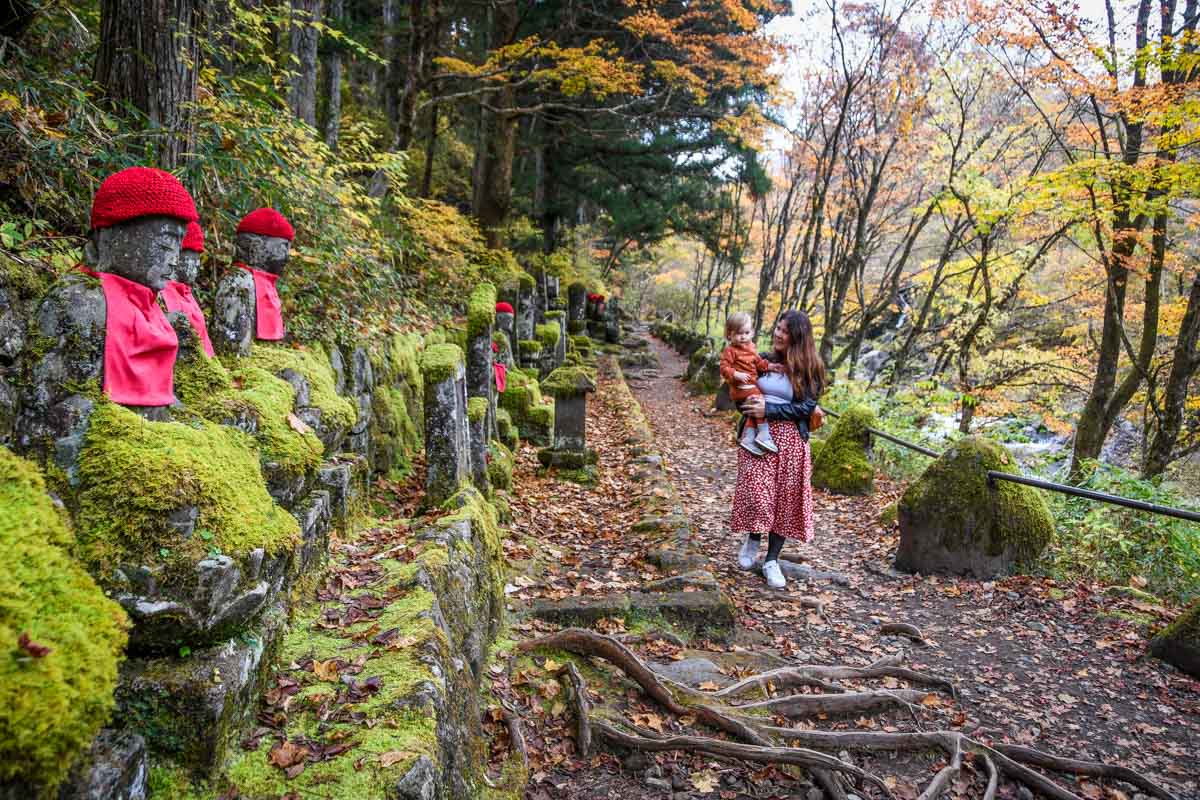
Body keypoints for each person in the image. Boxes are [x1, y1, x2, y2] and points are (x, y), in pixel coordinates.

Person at [730, 310, 826, 589]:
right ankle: (753, 537)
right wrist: (747, 403)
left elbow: (806, 407)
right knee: (757, 492)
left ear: (797, 336)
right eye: (778, 328)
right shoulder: (762, 359)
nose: (778, 334)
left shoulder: (810, 367)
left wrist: (769, 409)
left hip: (791, 441)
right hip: (756, 435)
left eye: (785, 331)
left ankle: (771, 560)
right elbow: (741, 391)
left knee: (785, 501)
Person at [719, 312, 783, 454]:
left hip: (750, 385)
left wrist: (771, 366)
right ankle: (763, 434)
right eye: (738, 334)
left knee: (753, 410)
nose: (743, 337)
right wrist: (735, 374)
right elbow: (723, 368)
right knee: (759, 403)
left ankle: (748, 438)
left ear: (752, 332)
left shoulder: (752, 347)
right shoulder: (730, 350)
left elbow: (759, 363)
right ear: (729, 335)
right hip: (741, 387)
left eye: (746, 333)